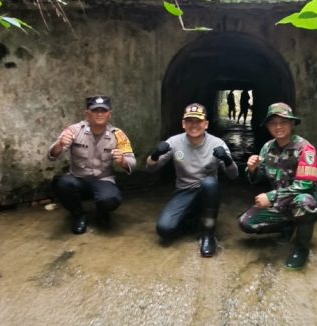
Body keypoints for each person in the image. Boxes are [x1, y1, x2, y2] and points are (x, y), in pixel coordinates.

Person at [147, 103, 239, 257]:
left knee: (210, 183)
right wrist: (155, 155)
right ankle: (192, 219)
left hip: (207, 191)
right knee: (164, 230)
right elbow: (150, 169)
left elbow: (233, 175)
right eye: (189, 121)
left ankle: (208, 234)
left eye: (198, 121)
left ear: (206, 124)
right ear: (183, 124)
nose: (194, 125)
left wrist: (227, 160)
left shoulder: (217, 143)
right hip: (184, 191)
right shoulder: (174, 142)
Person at [238, 102, 317, 270]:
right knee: (246, 223)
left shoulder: (305, 149)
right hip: (281, 204)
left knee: (305, 202)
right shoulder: (267, 148)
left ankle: (301, 249)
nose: (278, 127)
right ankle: (287, 226)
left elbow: (305, 185)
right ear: (268, 126)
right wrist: (252, 169)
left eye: (283, 122)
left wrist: (271, 196)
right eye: (273, 123)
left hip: (299, 200)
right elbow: (258, 178)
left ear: (291, 124)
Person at [48, 95, 136, 234]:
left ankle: (102, 213)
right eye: (95, 110)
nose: (99, 114)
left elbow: (132, 162)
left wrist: (123, 161)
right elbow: (52, 156)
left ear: (109, 114)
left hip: (103, 180)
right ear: (87, 113)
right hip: (78, 179)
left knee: (111, 199)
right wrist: (60, 144)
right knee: (62, 183)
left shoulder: (118, 134)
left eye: (103, 110)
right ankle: (79, 215)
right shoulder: (74, 130)